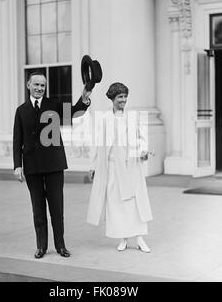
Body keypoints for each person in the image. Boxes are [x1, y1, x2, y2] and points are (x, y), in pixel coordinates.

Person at [13, 72, 91, 259]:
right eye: (36, 84)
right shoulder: (21, 110)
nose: (40, 88)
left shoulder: (53, 105)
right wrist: (18, 165)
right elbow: (17, 140)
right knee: (38, 209)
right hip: (32, 167)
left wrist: (85, 98)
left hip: (54, 165)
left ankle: (61, 246)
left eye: (43, 85)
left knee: (57, 208)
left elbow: (74, 112)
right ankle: (41, 246)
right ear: (28, 85)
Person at [87, 82, 153, 252]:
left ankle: (139, 239)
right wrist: (93, 166)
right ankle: (123, 238)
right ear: (112, 98)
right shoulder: (104, 119)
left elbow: (141, 139)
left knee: (135, 202)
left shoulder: (133, 118)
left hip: (131, 166)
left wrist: (144, 151)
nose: (123, 100)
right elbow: (97, 144)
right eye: (120, 97)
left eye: (125, 97)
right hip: (113, 168)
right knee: (116, 204)